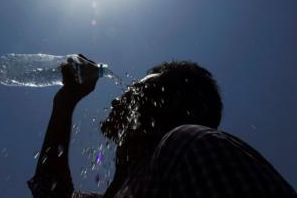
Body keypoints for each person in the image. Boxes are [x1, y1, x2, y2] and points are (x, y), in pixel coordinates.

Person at [28, 57, 297, 198]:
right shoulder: (129, 186)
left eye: (138, 91)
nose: (118, 99)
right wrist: (65, 101)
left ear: (171, 104)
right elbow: (50, 191)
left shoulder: (188, 145)